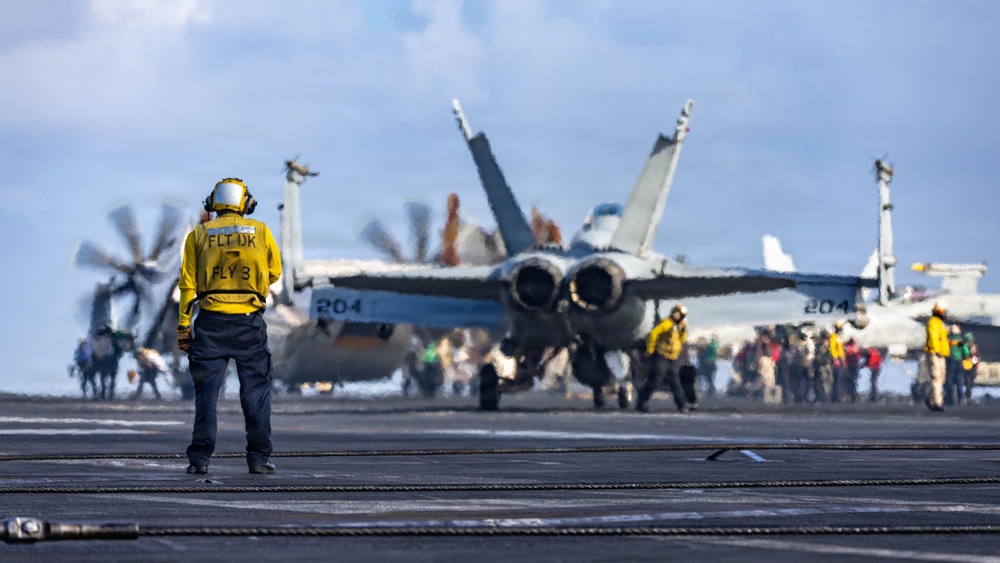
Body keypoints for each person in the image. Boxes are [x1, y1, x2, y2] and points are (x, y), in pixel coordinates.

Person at [177, 178, 281, 475]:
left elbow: (187, 285)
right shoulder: (260, 230)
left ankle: (200, 459)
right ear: (244, 203)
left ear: (213, 202)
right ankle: (259, 458)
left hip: (210, 323)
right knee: (255, 393)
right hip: (249, 323)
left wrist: (184, 328)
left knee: (206, 395)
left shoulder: (198, 234)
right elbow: (275, 271)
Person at [636, 304, 694, 413]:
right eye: (675, 312)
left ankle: (681, 405)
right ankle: (641, 402)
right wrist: (650, 350)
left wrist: (682, 330)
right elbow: (653, 334)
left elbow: (682, 340)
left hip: (672, 358)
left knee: (675, 381)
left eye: (679, 314)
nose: (676, 315)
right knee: (656, 379)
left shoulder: (679, 326)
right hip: (661, 356)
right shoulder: (667, 323)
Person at [923, 301, 951, 411]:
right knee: (936, 378)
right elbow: (933, 337)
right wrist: (936, 350)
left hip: (941, 354)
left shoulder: (939, 323)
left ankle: (930, 397)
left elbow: (943, 338)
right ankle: (938, 403)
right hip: (935, 354)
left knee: (941, 378)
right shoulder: (933, 323)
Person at [944, 325, 969, 407]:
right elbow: (965, 352)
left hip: (950, 362)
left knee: (949, 381)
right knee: (959, 382)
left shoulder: (947, 340)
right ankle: (960, 400)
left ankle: (949, 400)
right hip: (958, 362)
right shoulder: (960, 341)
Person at [828, 321, 847, 403]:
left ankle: (838, 396)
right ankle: (835, 397)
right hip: (837, 359)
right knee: (837, 379)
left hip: (841, 359)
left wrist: (843, 359)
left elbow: (841, 349)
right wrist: (835, 359)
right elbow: (832, 348)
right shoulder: (833, 337)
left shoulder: (840, 337)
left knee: (840, 379)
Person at [843, 337, 862, 403]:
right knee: (850, 382)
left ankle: (851, 396)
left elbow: (858, 356)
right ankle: (851, 396)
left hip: (852, 366)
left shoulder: (852, 347)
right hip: (850, 366)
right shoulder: (852, 348)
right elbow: (857, 356)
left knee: (852, 382)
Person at [963, 333, 980, 405]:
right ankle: (967, 397)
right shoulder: (972, 347)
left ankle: (967, 397)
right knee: (968, 383)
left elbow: (977, 357)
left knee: (968, 383)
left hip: (968, 367)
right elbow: (977, 357)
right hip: (969, 368)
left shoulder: (963, 346)